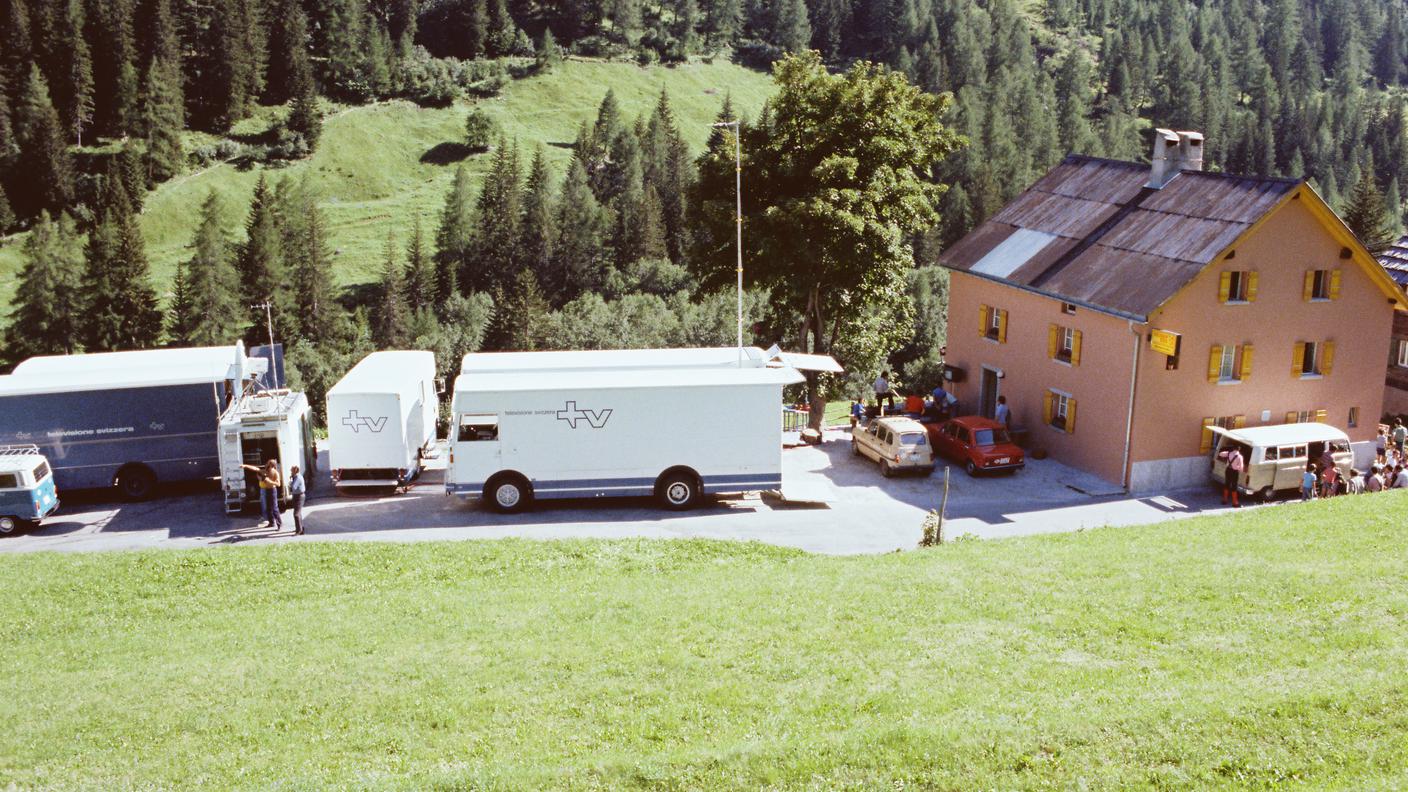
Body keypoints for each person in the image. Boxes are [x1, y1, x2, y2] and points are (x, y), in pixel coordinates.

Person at [242, 459, 283, 531]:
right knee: (268, 508)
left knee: (274, 508)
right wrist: (245, 466)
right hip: (266, 490)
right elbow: (256, 469)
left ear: (272, 466)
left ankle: (279, 524)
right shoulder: (265, 471)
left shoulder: (275, 473)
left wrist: (270, 481)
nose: (266, 465)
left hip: (272, 491)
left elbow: (278, 484)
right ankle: (271, 523)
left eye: (268, 464)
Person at [288, 465, 306, 535]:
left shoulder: (298, 478)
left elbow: (293, 487)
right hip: (297, 495)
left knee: (296, 514)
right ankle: (300, 528)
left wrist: (290, 482)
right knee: (298, 513)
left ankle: (299, 530)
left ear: (294, 471)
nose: (290, 472)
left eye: (291, 470)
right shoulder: (297, 476)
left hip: (299, 496)